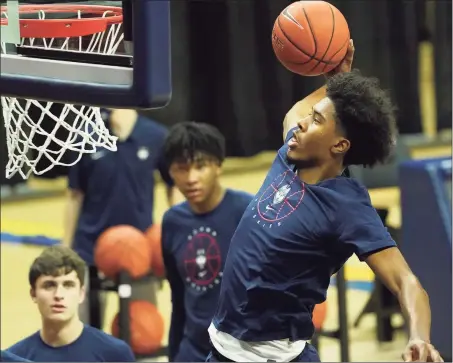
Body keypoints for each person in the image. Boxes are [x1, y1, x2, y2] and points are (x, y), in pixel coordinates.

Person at [207, 40, 443, 362]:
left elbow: (406, 282)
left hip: (275, 357)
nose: (303, 122)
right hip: (221, 349)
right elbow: (294, 113)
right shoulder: (289, 156)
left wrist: (419, 336)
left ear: (339, 145)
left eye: (316, 120)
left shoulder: (346, 206)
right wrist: (336, 83)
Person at [62, 108, 175, 329]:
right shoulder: (85, 136)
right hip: (90, 249)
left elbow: (173, 186)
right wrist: (66, 246)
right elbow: (74, 195)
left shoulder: (156, 135)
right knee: (83, 331)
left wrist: (179, 230)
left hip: (139, 250)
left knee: (143, 330)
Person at [161, 122, 254, 362]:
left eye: (200, 167)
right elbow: (178, 299)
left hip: (244, 352)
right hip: (193, 352)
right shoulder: (172, 222)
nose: (191, 178)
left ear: (218, 166)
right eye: (182, 168)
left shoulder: (248, 212)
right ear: (171, 173)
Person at [6, 245, 135, 362]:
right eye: (49, 285)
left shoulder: (115, 354)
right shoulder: (15, 357)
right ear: (33, 294)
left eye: (68, 285)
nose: (58, 295)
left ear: (81, 294)